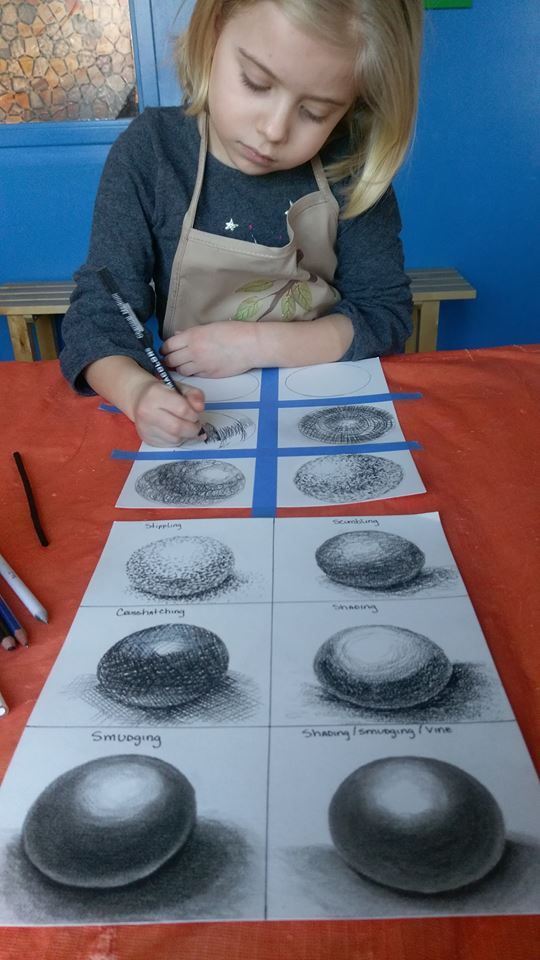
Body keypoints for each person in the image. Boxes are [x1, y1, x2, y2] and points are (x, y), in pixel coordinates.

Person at [60, 0, 423, 447]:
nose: (274, 130)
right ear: (213, 33)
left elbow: (384, 315)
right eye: (256, 83)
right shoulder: (152, 154)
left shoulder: (348, 167)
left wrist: (254, 344)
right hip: (205, 417)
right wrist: (137, 394)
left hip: (331, 410)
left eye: (314, 112)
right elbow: (99, 319)